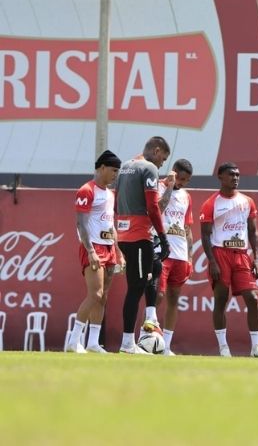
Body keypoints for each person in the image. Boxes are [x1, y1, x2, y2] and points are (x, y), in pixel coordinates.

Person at [200, 162, 258, 358]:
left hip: (241, 254)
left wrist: (256, 257)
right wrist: (212, 262)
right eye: (231, 175)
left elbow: (253, 231)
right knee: (221, 301)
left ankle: (256, 348)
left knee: (253, 298)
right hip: (220, 253)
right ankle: (223, 347)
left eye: (238, 175)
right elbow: (205, 235)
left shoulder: (247, 201)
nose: (236, 178)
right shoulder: (211, 203)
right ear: (220, 177)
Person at [115, 137, 171, 354]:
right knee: (136, 288)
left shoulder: (125, 167)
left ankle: (150, 318)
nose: (162, 164)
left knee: (153, 269)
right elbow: (153, 206)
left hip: (124, 233)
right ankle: (128, 343)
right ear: (156, 151)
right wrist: (163, 236)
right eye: (163, 159)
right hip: (139, 235)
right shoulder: (148, 169)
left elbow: (117, 199)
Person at [66, 150, 124, 353]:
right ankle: (74, 341)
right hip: (93, 246)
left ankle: (92, 343)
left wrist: (118, 251)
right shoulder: (86, 190)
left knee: (104, 296)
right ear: (102, 168)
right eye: (114, 170)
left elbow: (111, 224)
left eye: (118, 171)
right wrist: (90, 250)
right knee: (95, 294)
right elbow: (80, 224)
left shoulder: (110, 194)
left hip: (108, 247)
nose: (116, 174)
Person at [155, 159, 194, 356]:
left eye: (186, 180)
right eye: (180, 178)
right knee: (157, 295)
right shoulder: (158, 187)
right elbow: (159, 209)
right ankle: (149, 339)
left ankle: (166, 346)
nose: (182, 183)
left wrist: (190, 257)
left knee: (173, 298)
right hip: (162, 250)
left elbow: (187, 228)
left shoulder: (187, 197)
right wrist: (170, 186)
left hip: (180, 253)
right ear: (173, 173)